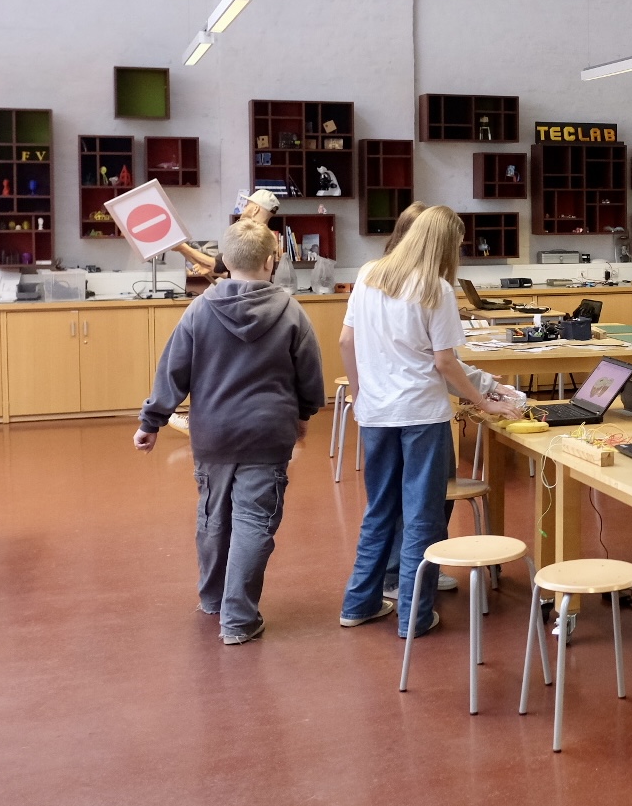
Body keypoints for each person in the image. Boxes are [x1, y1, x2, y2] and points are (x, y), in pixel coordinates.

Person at [134, 220, 325, 645]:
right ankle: (238, 619)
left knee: (212, 517)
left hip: (213, 435)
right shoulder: (291, 310)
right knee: (255, 522)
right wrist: (305, 414)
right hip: (267, 434)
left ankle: (213, 599)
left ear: (224, 260)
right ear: (271, 260)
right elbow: (309, 374)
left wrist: (152, 422)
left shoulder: (199, 310)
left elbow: (173, 370)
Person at [338, 206, 520, 637]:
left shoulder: (368, 274)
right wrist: (483, 401)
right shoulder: (435, 289)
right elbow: (445, 363)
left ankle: (358, 603)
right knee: (422, 515)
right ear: (444, 245)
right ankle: (414, 617)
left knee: (379, 510)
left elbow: (347, 340)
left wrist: (362, 392)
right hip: (421, 415)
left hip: (377, 415)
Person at [172, 189, 282, 282]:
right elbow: (239, 273)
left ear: (256, 209)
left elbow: (218, 264)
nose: (244, 207)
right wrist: (214, 271)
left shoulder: (249, 236)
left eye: (248, 205)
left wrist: (183, 247)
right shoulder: (271, 239)